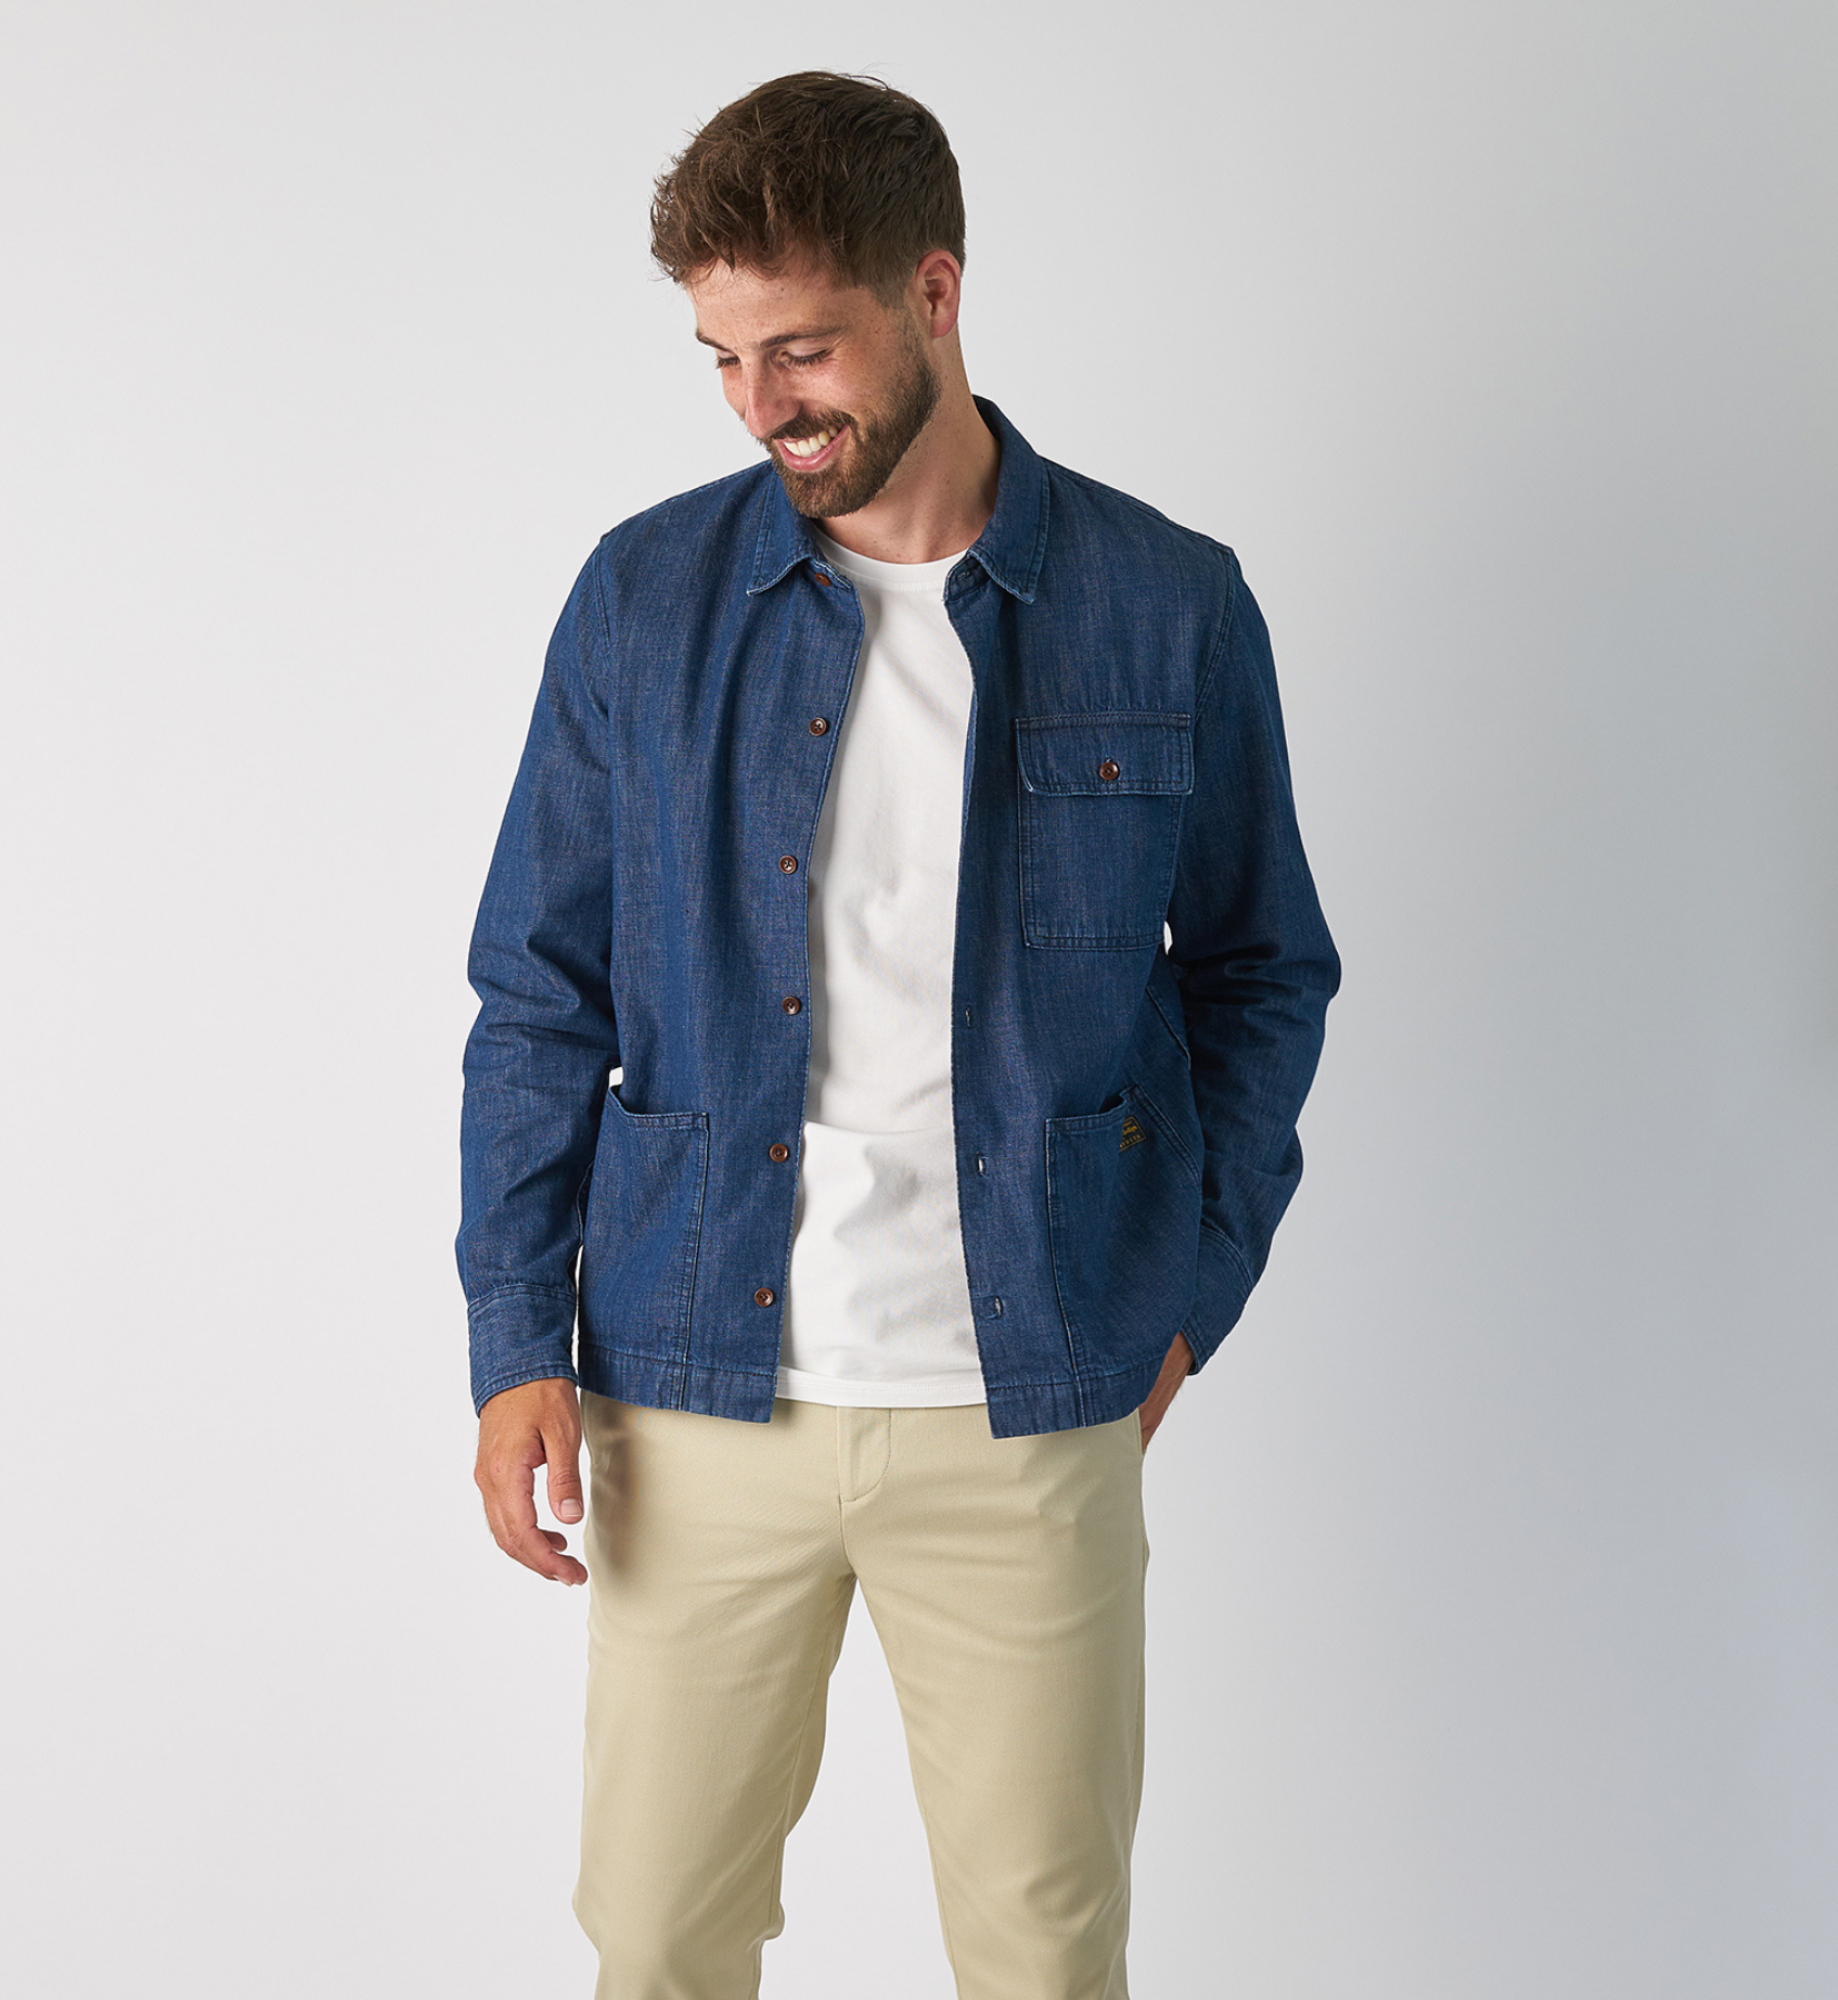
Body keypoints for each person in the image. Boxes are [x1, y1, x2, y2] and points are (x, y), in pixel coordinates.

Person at [457, 70, 1339, 2000]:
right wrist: (515, 1342)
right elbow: (539, 988)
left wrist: (1185, 1296)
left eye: (801, 350)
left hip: (1030, 1392)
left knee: (1043, 1957)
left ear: (935, 292)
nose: (758, 405)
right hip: (694, 1384)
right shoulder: (644, 599)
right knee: (658, 1940)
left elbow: (1265, 970)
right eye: (720, 359)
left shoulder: (1165, 606)